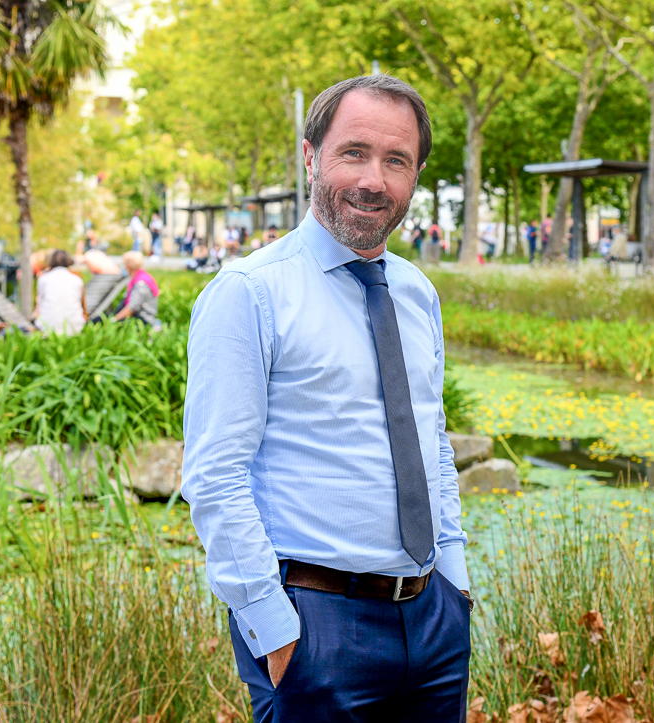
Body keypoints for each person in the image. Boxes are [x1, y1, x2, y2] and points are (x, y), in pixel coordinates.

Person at [182, 75, 470, 723]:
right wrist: (275, 631)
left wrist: (456, 586)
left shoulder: (418, 292)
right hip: (315, 624)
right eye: (354, 152)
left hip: (433, 620)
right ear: (311, 156)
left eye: (396, 160)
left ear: (416, 175)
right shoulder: (249, 293)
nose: (374, 178)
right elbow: (214, 475)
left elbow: (433, 440)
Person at [33, 250, 87, 335]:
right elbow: (83, 307)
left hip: (47, 329)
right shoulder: (77, 279)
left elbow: (40, 304)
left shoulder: (43, 279)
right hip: (75, 329)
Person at [115, 251, 160, 329]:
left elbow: (132, 308)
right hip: (137, 317)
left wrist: (114, 319)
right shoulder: (139, 277)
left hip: (142, 321)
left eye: (124, 264)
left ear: (128, 266)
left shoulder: (141, 282)